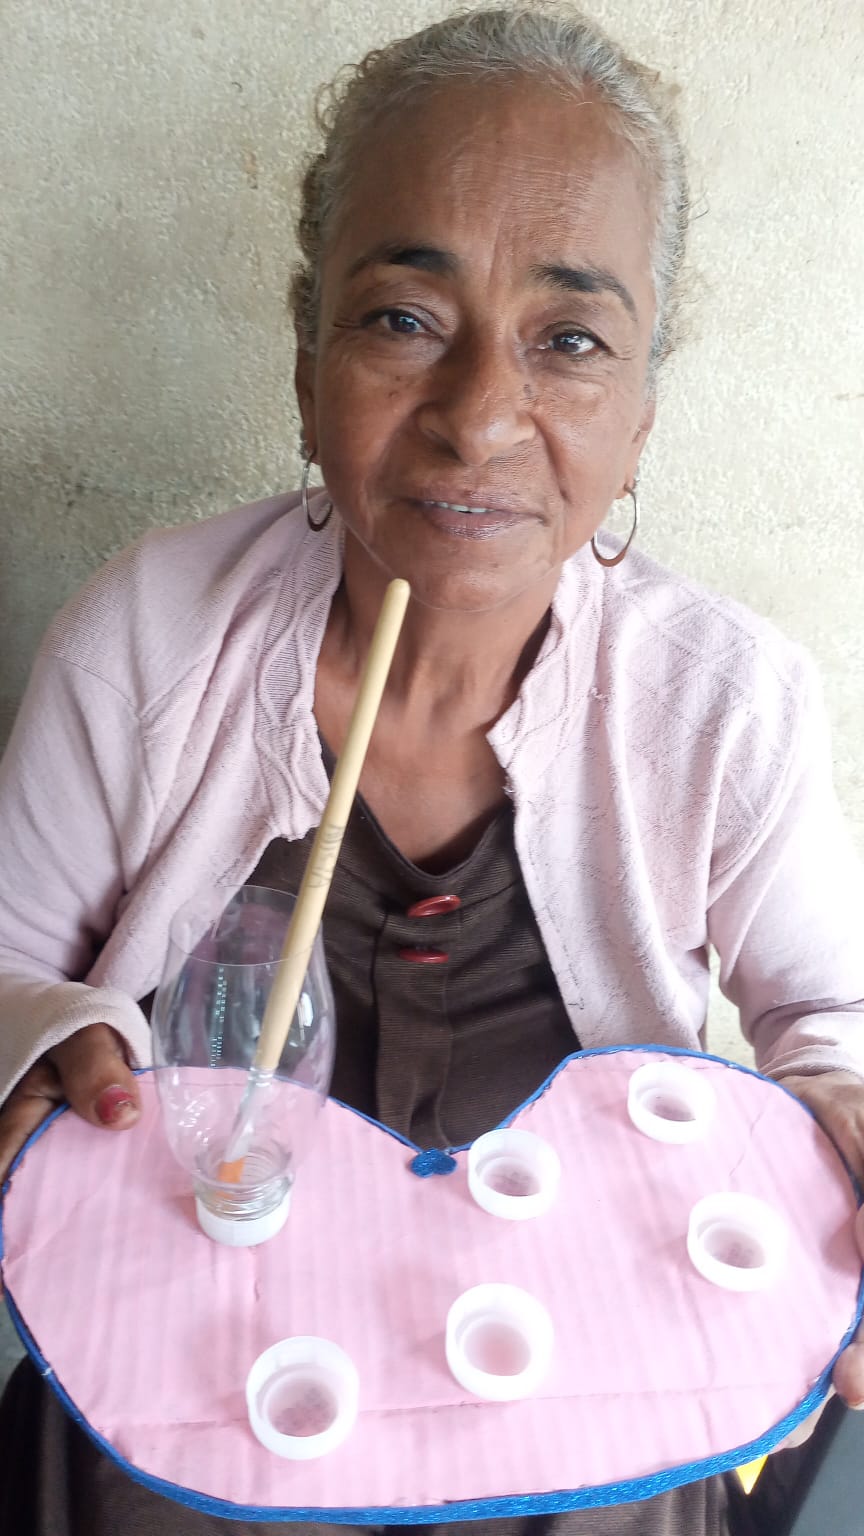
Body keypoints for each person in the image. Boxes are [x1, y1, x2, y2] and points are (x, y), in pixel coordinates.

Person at [0, 6, 863, 1534]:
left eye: (570, 341)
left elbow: (832, 1033)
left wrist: (844, 1119)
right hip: (191, 1385)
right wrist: (49, 1044)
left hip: (588, 1392)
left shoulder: (726, 702)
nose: (477, 419)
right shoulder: (147, 638)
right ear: (306, 363)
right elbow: (7, 969)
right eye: (403, 320)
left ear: (641, 416)